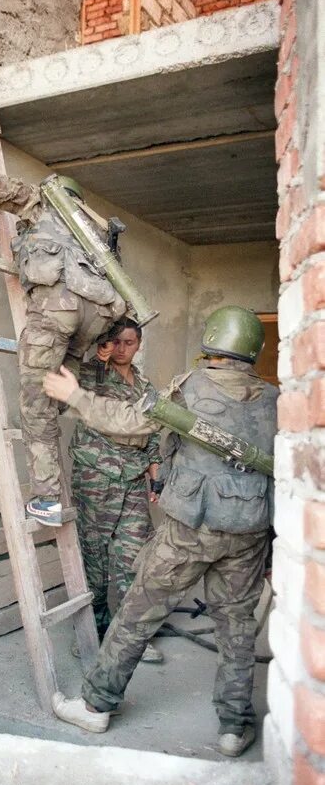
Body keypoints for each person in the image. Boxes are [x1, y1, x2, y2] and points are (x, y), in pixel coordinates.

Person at [44, 306, 277, 757]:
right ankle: (233, 728)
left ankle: (95, 706)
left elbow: (131, 425)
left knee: (139, 611)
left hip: (189, 527)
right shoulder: (275, 399)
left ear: (210, 341)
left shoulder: (189, 386)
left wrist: (76, 396)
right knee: (237, 629)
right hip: (249, 531)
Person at [0, 138, 127, 527]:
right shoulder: (97, 233)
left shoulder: (42, 201)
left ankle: (46, 499)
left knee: (35, 406)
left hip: (56, 313)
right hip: (96, 318)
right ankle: (52, 435)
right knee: (55, 397)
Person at [70, 317, 163, 663]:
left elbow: (153, 435)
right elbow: (74, 391)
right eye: (117, 342)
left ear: (138, 345)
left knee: (134, 560)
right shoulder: (93, 373)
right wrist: (99, 355)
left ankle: (128, 638)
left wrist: (156, 475)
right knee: (93, 557)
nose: (123, 349)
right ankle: (91, 633)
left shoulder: (144, 385)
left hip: (133, 480)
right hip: (97, 477)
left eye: (130, 343)